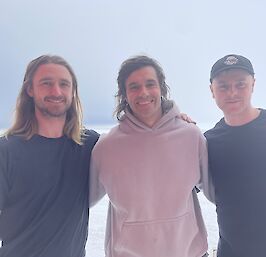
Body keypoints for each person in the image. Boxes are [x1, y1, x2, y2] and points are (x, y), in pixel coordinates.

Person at [89, 55, 214, 257]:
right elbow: (81, 201)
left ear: (162, 88)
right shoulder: (107, 146)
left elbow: (216, 192)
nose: (144, 93)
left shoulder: (191, 136)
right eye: (134, 87)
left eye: (150, 84)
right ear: (123, 94)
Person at [0, 55, 99, 257]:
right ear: (30, 90)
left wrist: (173, 117)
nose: (56, 91)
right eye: (46, 83)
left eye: (64, 84)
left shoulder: (89, 145)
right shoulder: (6, 150)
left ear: (72, 92)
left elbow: (135, 144)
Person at [204, 54, 266, 257]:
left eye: (240, 84)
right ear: (212, 90)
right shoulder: (206, 142)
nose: (232, 92)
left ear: (253, 84)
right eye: (223, 86)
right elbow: (178, 185)